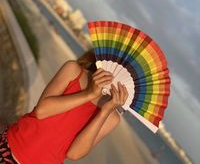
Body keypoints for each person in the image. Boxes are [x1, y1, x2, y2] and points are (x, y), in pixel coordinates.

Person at [0, 49, 129, 164]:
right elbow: (41, 111)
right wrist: (88, 94)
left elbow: (74, 154)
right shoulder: (73, 70)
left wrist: (104, 112)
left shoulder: (111, 117)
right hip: (9, 148)